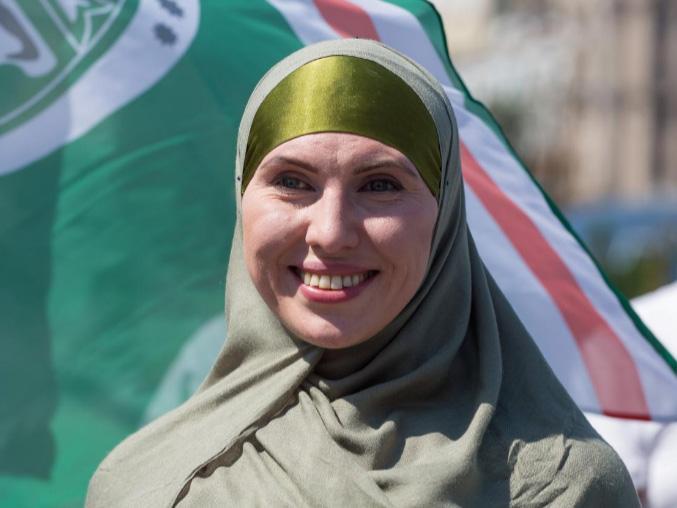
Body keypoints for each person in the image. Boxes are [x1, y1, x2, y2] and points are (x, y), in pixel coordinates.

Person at [86, 39, 638, 507]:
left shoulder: (553, 483)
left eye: (380, 185)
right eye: (293, 182)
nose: (330, 232)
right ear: (242, 199)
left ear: (444, 215)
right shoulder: (150, 483)